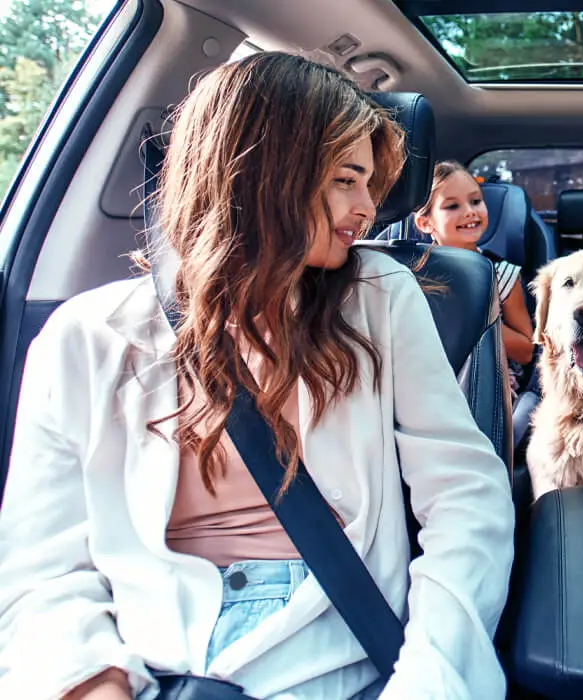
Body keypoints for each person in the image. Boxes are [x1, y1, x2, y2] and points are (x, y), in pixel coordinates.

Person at [0, 52, 514, 700]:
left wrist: (430, 675)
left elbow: (466, 497)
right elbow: (40, 568)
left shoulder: (382, 297)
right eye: (346, 180)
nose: (368, 207)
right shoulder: (82, 340)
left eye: (370, 183)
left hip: (343, 661)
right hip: (152, 664)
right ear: (265, 172)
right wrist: (93, 683)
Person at [413, 161, 536, 395]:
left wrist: (472, 319)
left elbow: (526, 351)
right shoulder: (413, 275)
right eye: (452, 206)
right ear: (425, 222)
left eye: (476, 201)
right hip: (426, 377)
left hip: (487, 382)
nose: (470, 211)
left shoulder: (503, 275)